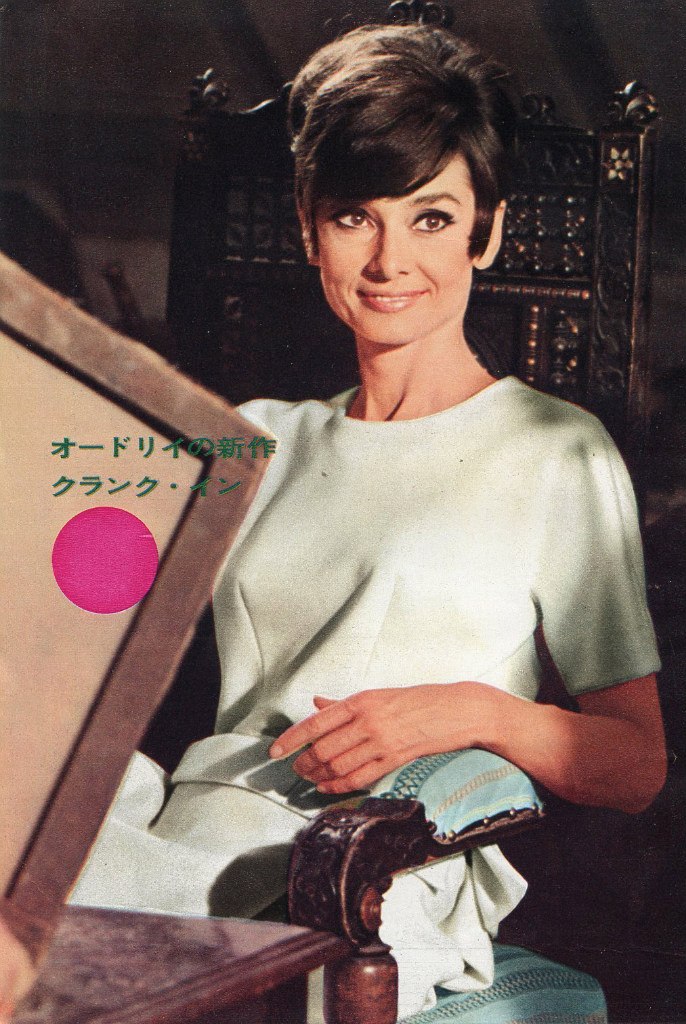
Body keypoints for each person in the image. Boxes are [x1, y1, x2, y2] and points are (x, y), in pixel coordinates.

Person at [69, 23, 666, 1018]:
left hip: (376, 866)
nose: (390, 260)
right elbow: (76, 601)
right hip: (195, 830)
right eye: (355, 217)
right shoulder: (255, 437)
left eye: (431, 218)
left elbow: (635, 766)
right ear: (310, 231)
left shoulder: (554, 451)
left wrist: (470, 711)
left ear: (485, 232)